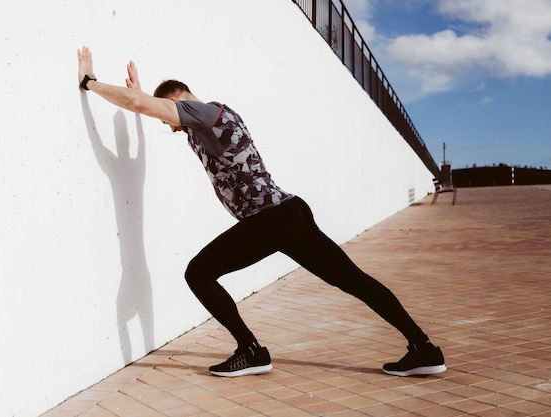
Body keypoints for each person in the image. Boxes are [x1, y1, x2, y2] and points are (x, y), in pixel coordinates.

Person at [76, 46, 447, 378]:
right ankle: (424, 348)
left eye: (167, 120)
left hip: (270, 219)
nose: (171, 129)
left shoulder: (204, 114)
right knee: (353, 279)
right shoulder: (210, 119)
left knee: (198, 273)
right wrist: (139, 93)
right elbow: (143, 103)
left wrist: (90, 82)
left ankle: (251, 351)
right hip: (289, 213)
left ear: (178, 100)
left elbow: (144, 107)